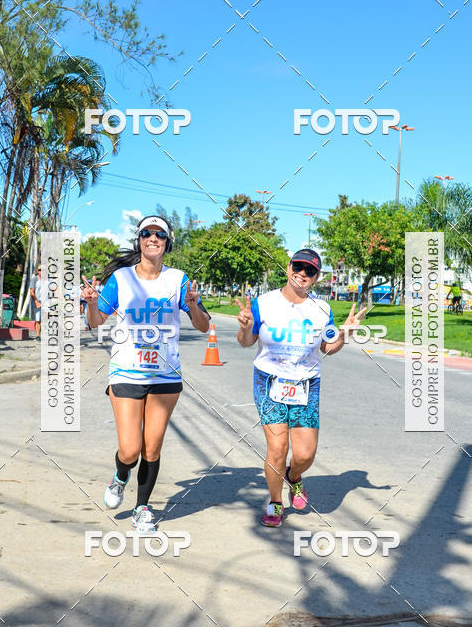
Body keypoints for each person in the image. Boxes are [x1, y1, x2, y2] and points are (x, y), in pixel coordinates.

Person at [82, 215, 210, 533]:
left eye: (160, 235)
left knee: (152, 448)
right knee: (130, 449)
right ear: (139, 240)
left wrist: (193, 305)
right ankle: (120, 476)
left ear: (168, 243)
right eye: (147, 233)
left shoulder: (179, 280)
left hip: (165, 377)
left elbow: (204, 325)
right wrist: (92, 304)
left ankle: (142, 508)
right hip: (126, 373)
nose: (153, 238)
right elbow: (97, 321)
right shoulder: (122, 279)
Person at [235, 248, 366, 528]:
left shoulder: (321, 309)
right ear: (288, 267)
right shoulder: (265, 303)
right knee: (278, 448)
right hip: (269, 381)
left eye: (310, 271)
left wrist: (344, 333)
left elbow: (328, 348)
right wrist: (245, 326)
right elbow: (246, 341)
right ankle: (275, 501)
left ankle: (294, 477)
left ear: (317, 277)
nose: (303, 274)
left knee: (305, 455)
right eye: (299, 267)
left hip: (307, 383)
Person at [28, 265, 43, 340]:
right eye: (40, 270)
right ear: (38, 271)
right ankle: (37, 335)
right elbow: (31, 292)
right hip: (36, 301)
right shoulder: (35, 279)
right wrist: (36, 301)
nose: (42, 272)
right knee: (38, 319)